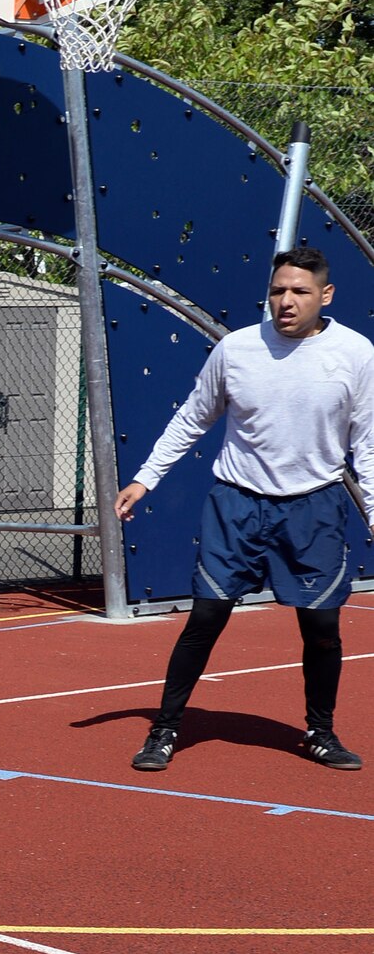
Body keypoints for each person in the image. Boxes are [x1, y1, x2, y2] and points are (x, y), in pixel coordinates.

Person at [116, 245, 374, 772]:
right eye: (278, 290)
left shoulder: (356, 354)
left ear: (325, 295)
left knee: (322, 627)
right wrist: (145, 479)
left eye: (300, 291)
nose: (286, 300)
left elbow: (366, 444)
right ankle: (164, 731)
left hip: (314, 507)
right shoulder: (236, 349)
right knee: (206, 617)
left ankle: (320, 732)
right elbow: (192, 418)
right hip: (236, 504)